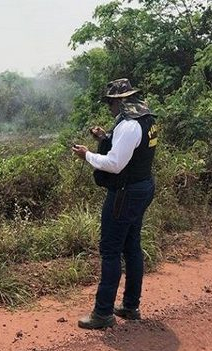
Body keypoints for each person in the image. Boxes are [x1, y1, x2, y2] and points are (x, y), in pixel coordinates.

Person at [72, 78, 157, 330]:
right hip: (142, 186)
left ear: (121, 100)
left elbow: (115, 163)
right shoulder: (146, 118)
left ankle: (103, 313)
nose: (109, 106)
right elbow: (131, 149)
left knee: (110, 251)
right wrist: (105, 137)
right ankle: (131, 306)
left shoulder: (129, 125)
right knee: (131, 245)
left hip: (125, 193)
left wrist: (86, 155)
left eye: (111, 101)